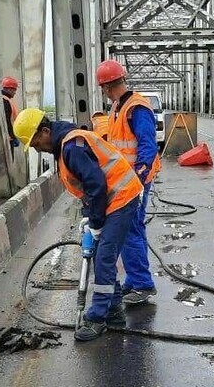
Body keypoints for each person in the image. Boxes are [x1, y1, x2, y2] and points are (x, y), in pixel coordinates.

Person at [13, 107, 143, 342]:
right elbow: (88, 187)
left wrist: (96, 222)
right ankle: (113, 310)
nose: (36, 148)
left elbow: (96, 186)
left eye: (35, 143)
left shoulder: (71, 147)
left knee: (103, 257)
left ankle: (98, 318)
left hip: (121, 198)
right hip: (114, 199)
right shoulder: (65, 146)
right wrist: (90, 216)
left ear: (45, 131)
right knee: (101, 256)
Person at [96, 59, 161, 306]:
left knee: (130, 230)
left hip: (135, 181)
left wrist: (140, 178)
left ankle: (143, 284)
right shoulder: (118, 107)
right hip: (125, 180)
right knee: (133, 230)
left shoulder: (136, 108)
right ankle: (136, 279)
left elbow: (147, 145)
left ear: (106, 86)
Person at [1, 76, 20, 149]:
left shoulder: (7, 99)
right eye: (14, 90)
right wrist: (13, 136)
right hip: (8, 138)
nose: (15, 93)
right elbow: (6, 120)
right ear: (9, 89)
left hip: (9, 137)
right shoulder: (5, 100)